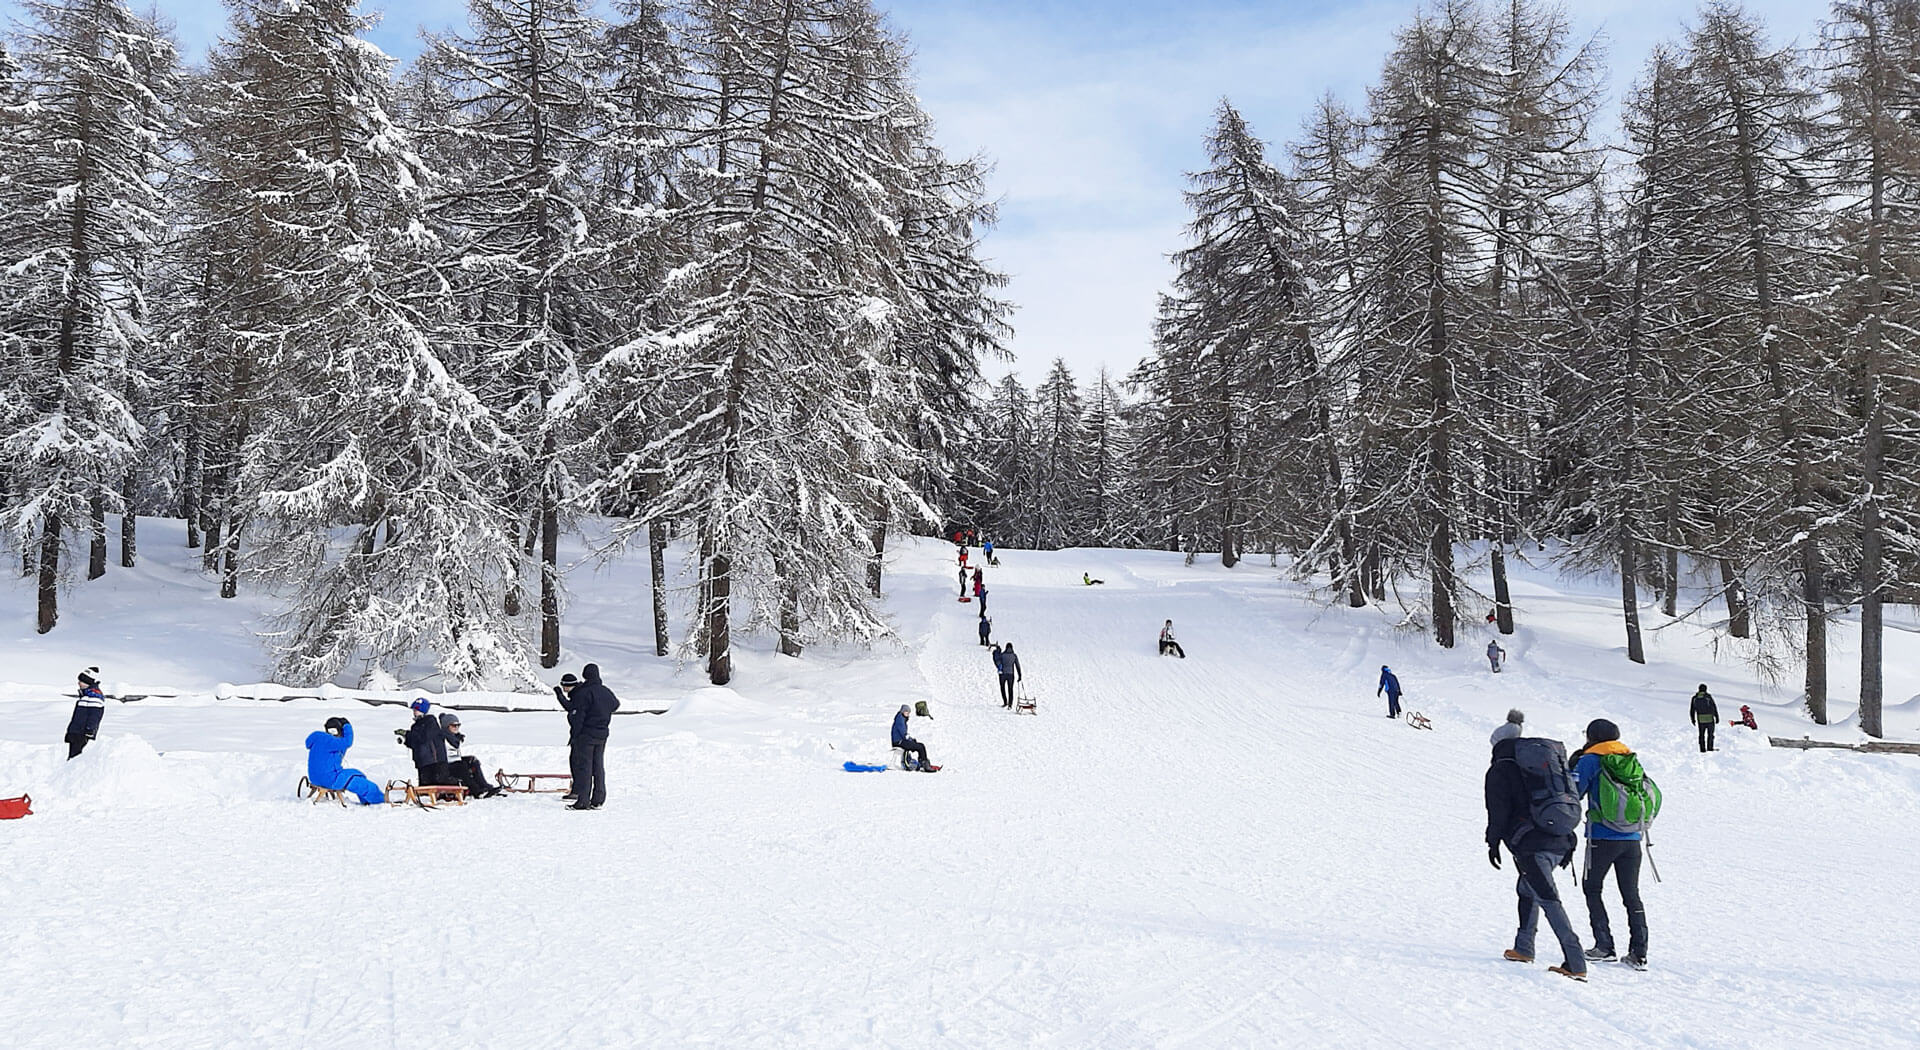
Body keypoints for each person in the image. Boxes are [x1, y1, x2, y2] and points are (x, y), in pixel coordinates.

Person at [1485, 736, 1587, 981]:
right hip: (1561, 838)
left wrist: (1493, 842)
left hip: (1533, 845)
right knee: (1527, 887)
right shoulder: (1538, 769)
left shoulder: (1500, 771)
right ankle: (1523, 947)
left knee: (1549, 899)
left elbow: (1497, 811)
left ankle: (1576, 963)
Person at [1572, 718, 1649, 970]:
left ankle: (1604, 946)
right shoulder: (1628, 758)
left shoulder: (1590, 760)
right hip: (1633, 838)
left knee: (1592, 888)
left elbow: (1574, 792)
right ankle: (1639, 953)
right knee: (1631, 894)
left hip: (1602, 837)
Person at [567, 663, 619, 809]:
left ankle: (583, 801)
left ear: (585, 675)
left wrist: (575, 734)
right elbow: (615, 704)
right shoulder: (605, 691)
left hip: (586, 735)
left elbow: (579, 717)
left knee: (585, 768)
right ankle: (598, 798)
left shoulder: (585, 692)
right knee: (598, 766)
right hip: (602, 734)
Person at [305, 717, 384, 804]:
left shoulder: (317, 738)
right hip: (330, 779)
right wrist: (347, 726)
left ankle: (368, 800)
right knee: (357, 780)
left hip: (314, 778)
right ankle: (380, 800)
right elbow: (347, 742)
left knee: (355, 773)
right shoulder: (332, 741)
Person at [438, 713, 503, 798]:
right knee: (462, 765)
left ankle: (484, 785)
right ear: (447, 726)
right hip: (446, 765)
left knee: (472, 760)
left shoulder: (454, 737)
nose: (457, 727)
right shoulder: (442, 738)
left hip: (455, 761)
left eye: (458, 725)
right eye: (454, 725)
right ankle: (476, 791)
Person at [403, 698, 453, 784]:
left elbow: (424, 738)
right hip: (421, 761)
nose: (415, 712)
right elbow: (414, 743)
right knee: (424, 787)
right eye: (414, 710)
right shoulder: (415, 726)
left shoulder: (430, 722)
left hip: (434, 761)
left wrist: (408, 734)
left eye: (417, 710)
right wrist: (406, 737)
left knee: (436, 785)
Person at [65, 667, 107, 759]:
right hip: (76, 733)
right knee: (72, 759)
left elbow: (95, 715)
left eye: (81, 681)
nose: (78, 683)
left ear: (88, 682)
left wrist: (89, 730)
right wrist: (71, 731)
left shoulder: (94, 696)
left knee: (77, 760)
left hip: (83, 734)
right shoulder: (85, 696)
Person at [555, 673, 582, 800]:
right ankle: (580, 790)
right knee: (578, 763)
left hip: (580, 736)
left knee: (577, 763)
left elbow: (570, 707)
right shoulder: (579, 693)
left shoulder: (578, 695)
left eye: (563, 686)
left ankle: (578, 791)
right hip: (580, 735)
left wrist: (559, 695)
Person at [891, 704, 934, 770]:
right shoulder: (900, 719)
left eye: (908, 712)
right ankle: (924, 764)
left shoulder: (901, 718)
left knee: (919, 745)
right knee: (920, 746)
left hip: (900, 741)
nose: (908, 714)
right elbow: (903, 733)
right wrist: (910, 739)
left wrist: (911, 740)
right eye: (906, 712)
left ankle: (923, 762)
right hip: (899, 742)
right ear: (902, 712)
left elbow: (904, 734)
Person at [1689, 685, 1719, 753]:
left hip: (1700, 719)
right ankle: (1710, 748)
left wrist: (1693, 719)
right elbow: (1713, 707)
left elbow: (1692, 710)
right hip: (1710, 719)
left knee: (1701, 735)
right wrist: (1716, 717)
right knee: (1710, 734)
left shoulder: (1694, 698)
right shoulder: (1708, 697)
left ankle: (1702, 749)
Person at [992, 643, 1022, 709]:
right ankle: (1010, 704)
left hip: (1002, 674)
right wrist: (1020, 675)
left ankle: (1005, 702)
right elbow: (1017, 666)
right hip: (1011, 674)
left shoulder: (1002, 655)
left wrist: (997, 650)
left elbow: (997, 659)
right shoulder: (1014, 656)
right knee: (1010, 689)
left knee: (1002, 688)